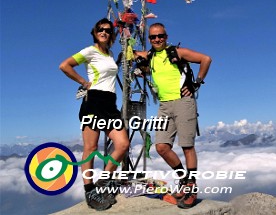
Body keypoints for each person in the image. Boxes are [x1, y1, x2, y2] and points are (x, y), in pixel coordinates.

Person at [136, 22, 211, 209]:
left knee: (187, 146)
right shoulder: (151, 55)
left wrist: (196, 83)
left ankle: (191, 188)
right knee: (161, 147)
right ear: (149, 39)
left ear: (166, 36)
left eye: (160, 36)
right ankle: (184, 180)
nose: (157, 39)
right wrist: (128, 50)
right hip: (164, 105)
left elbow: (206, 59)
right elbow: (136, 54)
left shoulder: (177, 52)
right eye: (153, 37)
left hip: (183, 102)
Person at [59, 18, 131, 211]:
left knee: (123, 144)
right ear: (95, 32)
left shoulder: (109, 54)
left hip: (110, 104)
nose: (104, 32)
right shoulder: (89, 51)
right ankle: (90, 191)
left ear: (111, 34)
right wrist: (83, 82)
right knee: (90, 147)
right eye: (100, 29)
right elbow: (64, 65)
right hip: (93, 102)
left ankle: (104, 182)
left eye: (108, 30)